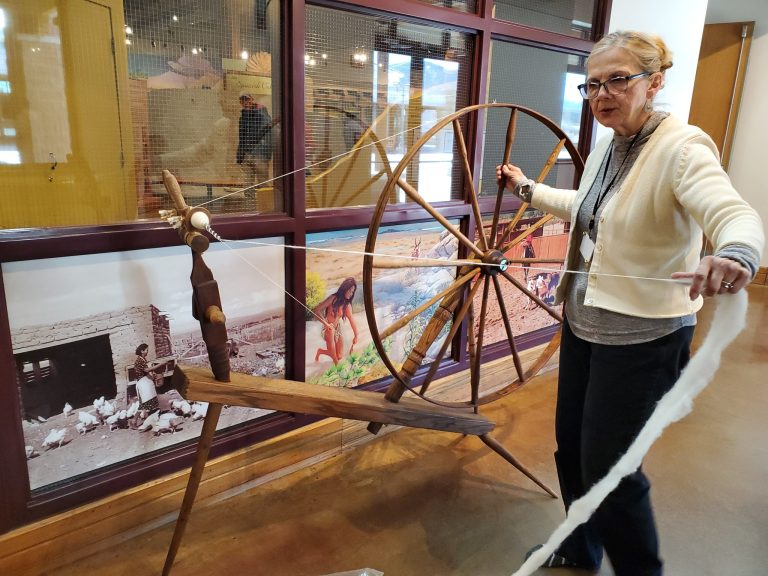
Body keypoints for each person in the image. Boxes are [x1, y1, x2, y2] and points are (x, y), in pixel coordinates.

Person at [496, 30, 764, 575]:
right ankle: (580, 545)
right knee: (571, 448)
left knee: (612, 471)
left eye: (618, 79)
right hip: (585, 325)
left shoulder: (683, 147)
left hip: (644, 339)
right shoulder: (607, 147)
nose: (602, 94)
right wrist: (528, 189)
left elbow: (729, 210)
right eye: (592, 84)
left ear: (654, 83)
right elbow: (586, 206)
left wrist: (735, 252)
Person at [236, 91, 273, 202]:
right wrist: (240, 154)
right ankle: (250, 207)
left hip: (260, 155)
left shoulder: (261, 113)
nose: (245, 102)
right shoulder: (243, 116)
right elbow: (241, 137)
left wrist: (265, 154)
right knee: (247, 184)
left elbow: (266, 133)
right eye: (242, 100)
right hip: (247, 155)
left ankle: (266, 207)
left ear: (252, 99)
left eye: (247, 99)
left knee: (263, 183)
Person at [313, 277, 360, 365]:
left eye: (353, 292)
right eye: (350, 291)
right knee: (335, 359)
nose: (351, 294)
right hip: (327, 328)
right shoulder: (333, 298)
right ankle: (330, 357)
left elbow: (351, 320)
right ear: (345, 288)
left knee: (339, 356)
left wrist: (356, 335)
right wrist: (326, 324)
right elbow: (317, 310)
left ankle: (320, 351)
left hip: (337, 328)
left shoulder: (347, 304)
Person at [133, 343, 165, 415]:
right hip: (143, 383)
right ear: (142, 351)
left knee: (145, 403)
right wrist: (160, 364)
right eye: (147, 350)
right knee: (145, 402)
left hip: (145, 382)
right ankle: (136, 421)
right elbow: (146, 370)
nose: (147, 351)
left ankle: (149, 418)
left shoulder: (143, 359)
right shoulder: (139, 360)